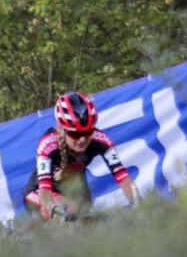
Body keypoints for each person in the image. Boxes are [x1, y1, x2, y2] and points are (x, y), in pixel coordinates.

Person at [24, 92, 137, 221]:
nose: (82, 139)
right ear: (63, 130)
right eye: (75, 134)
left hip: (75, 187)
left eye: (88, 132)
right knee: (71, 209)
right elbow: (44, 192)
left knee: (89, 221)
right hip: (40, 193)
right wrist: (52, 209)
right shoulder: (48, 145)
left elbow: (123, 177)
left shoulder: (101, 139)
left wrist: (137, 200)